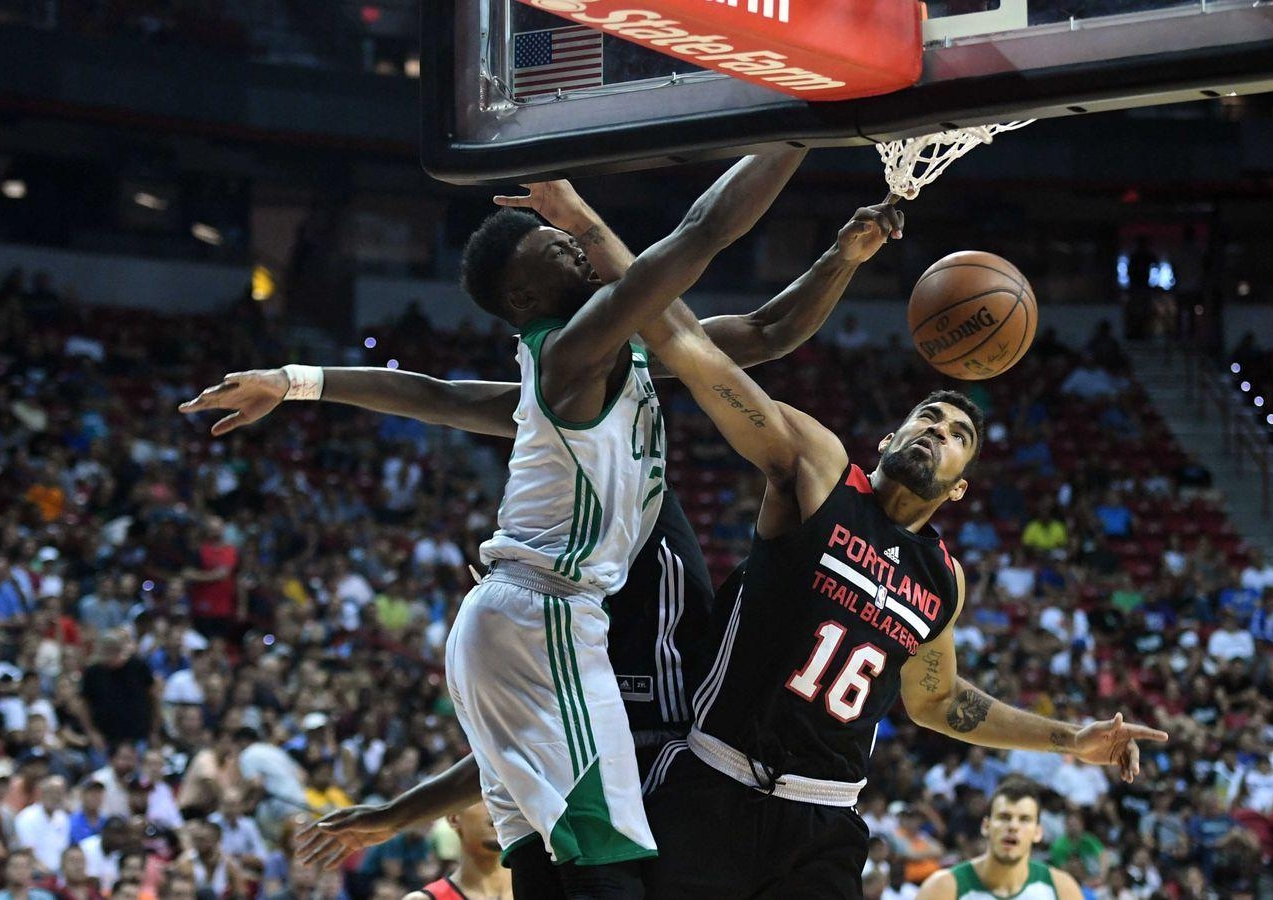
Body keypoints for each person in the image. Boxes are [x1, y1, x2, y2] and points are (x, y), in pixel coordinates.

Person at [191, 177, 901, 894]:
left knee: (545, 872)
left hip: (520, 621)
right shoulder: (570, 356)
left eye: (572, 242)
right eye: (557, 250)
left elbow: (770, 331)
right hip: (542, 607)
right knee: (616, 872)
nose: (578, 251)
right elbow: (698, 235)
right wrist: (798, 123)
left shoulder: (596, 369)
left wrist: (844, 254)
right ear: (526, 299)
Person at [633, 282, 1166, 897]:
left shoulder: (943, 579)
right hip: (716, 783)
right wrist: (592, 238)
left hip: (824, 820)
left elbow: (937, 703)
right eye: (928, 420)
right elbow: (697, 355)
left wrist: (1070, 740)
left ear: (959, 486)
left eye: (957, 437)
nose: (938, 433)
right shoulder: (823, 477)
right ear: (889, 441)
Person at [915, 777, 1083, 900]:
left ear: (1038, 833)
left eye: (1024, 819)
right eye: (1004, 817)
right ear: (986, 826)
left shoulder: (1061, 889)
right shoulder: (943, 887)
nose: (1013, 826)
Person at [405, 802, 512, 900]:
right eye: (481, 798)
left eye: (501, 796)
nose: (495, 807)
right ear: (453, 819)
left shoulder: (528, 886)